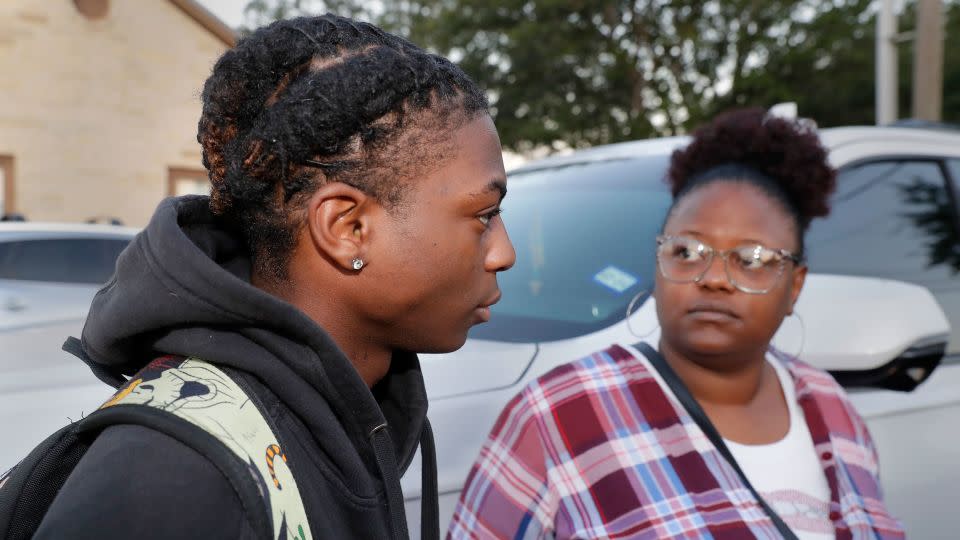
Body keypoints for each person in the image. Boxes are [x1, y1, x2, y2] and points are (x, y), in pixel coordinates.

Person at [32, 14, 514, 539]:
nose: (504, 253)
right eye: (484, 215)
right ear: (347, 227)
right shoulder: (175, 480)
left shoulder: (359, 405)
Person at [449, 108, 904, 539]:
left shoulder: (832, 408)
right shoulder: (559, 415)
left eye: (752, 260)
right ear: (659, 258)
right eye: (688, 252)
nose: (715, 280)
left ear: (796, 286)